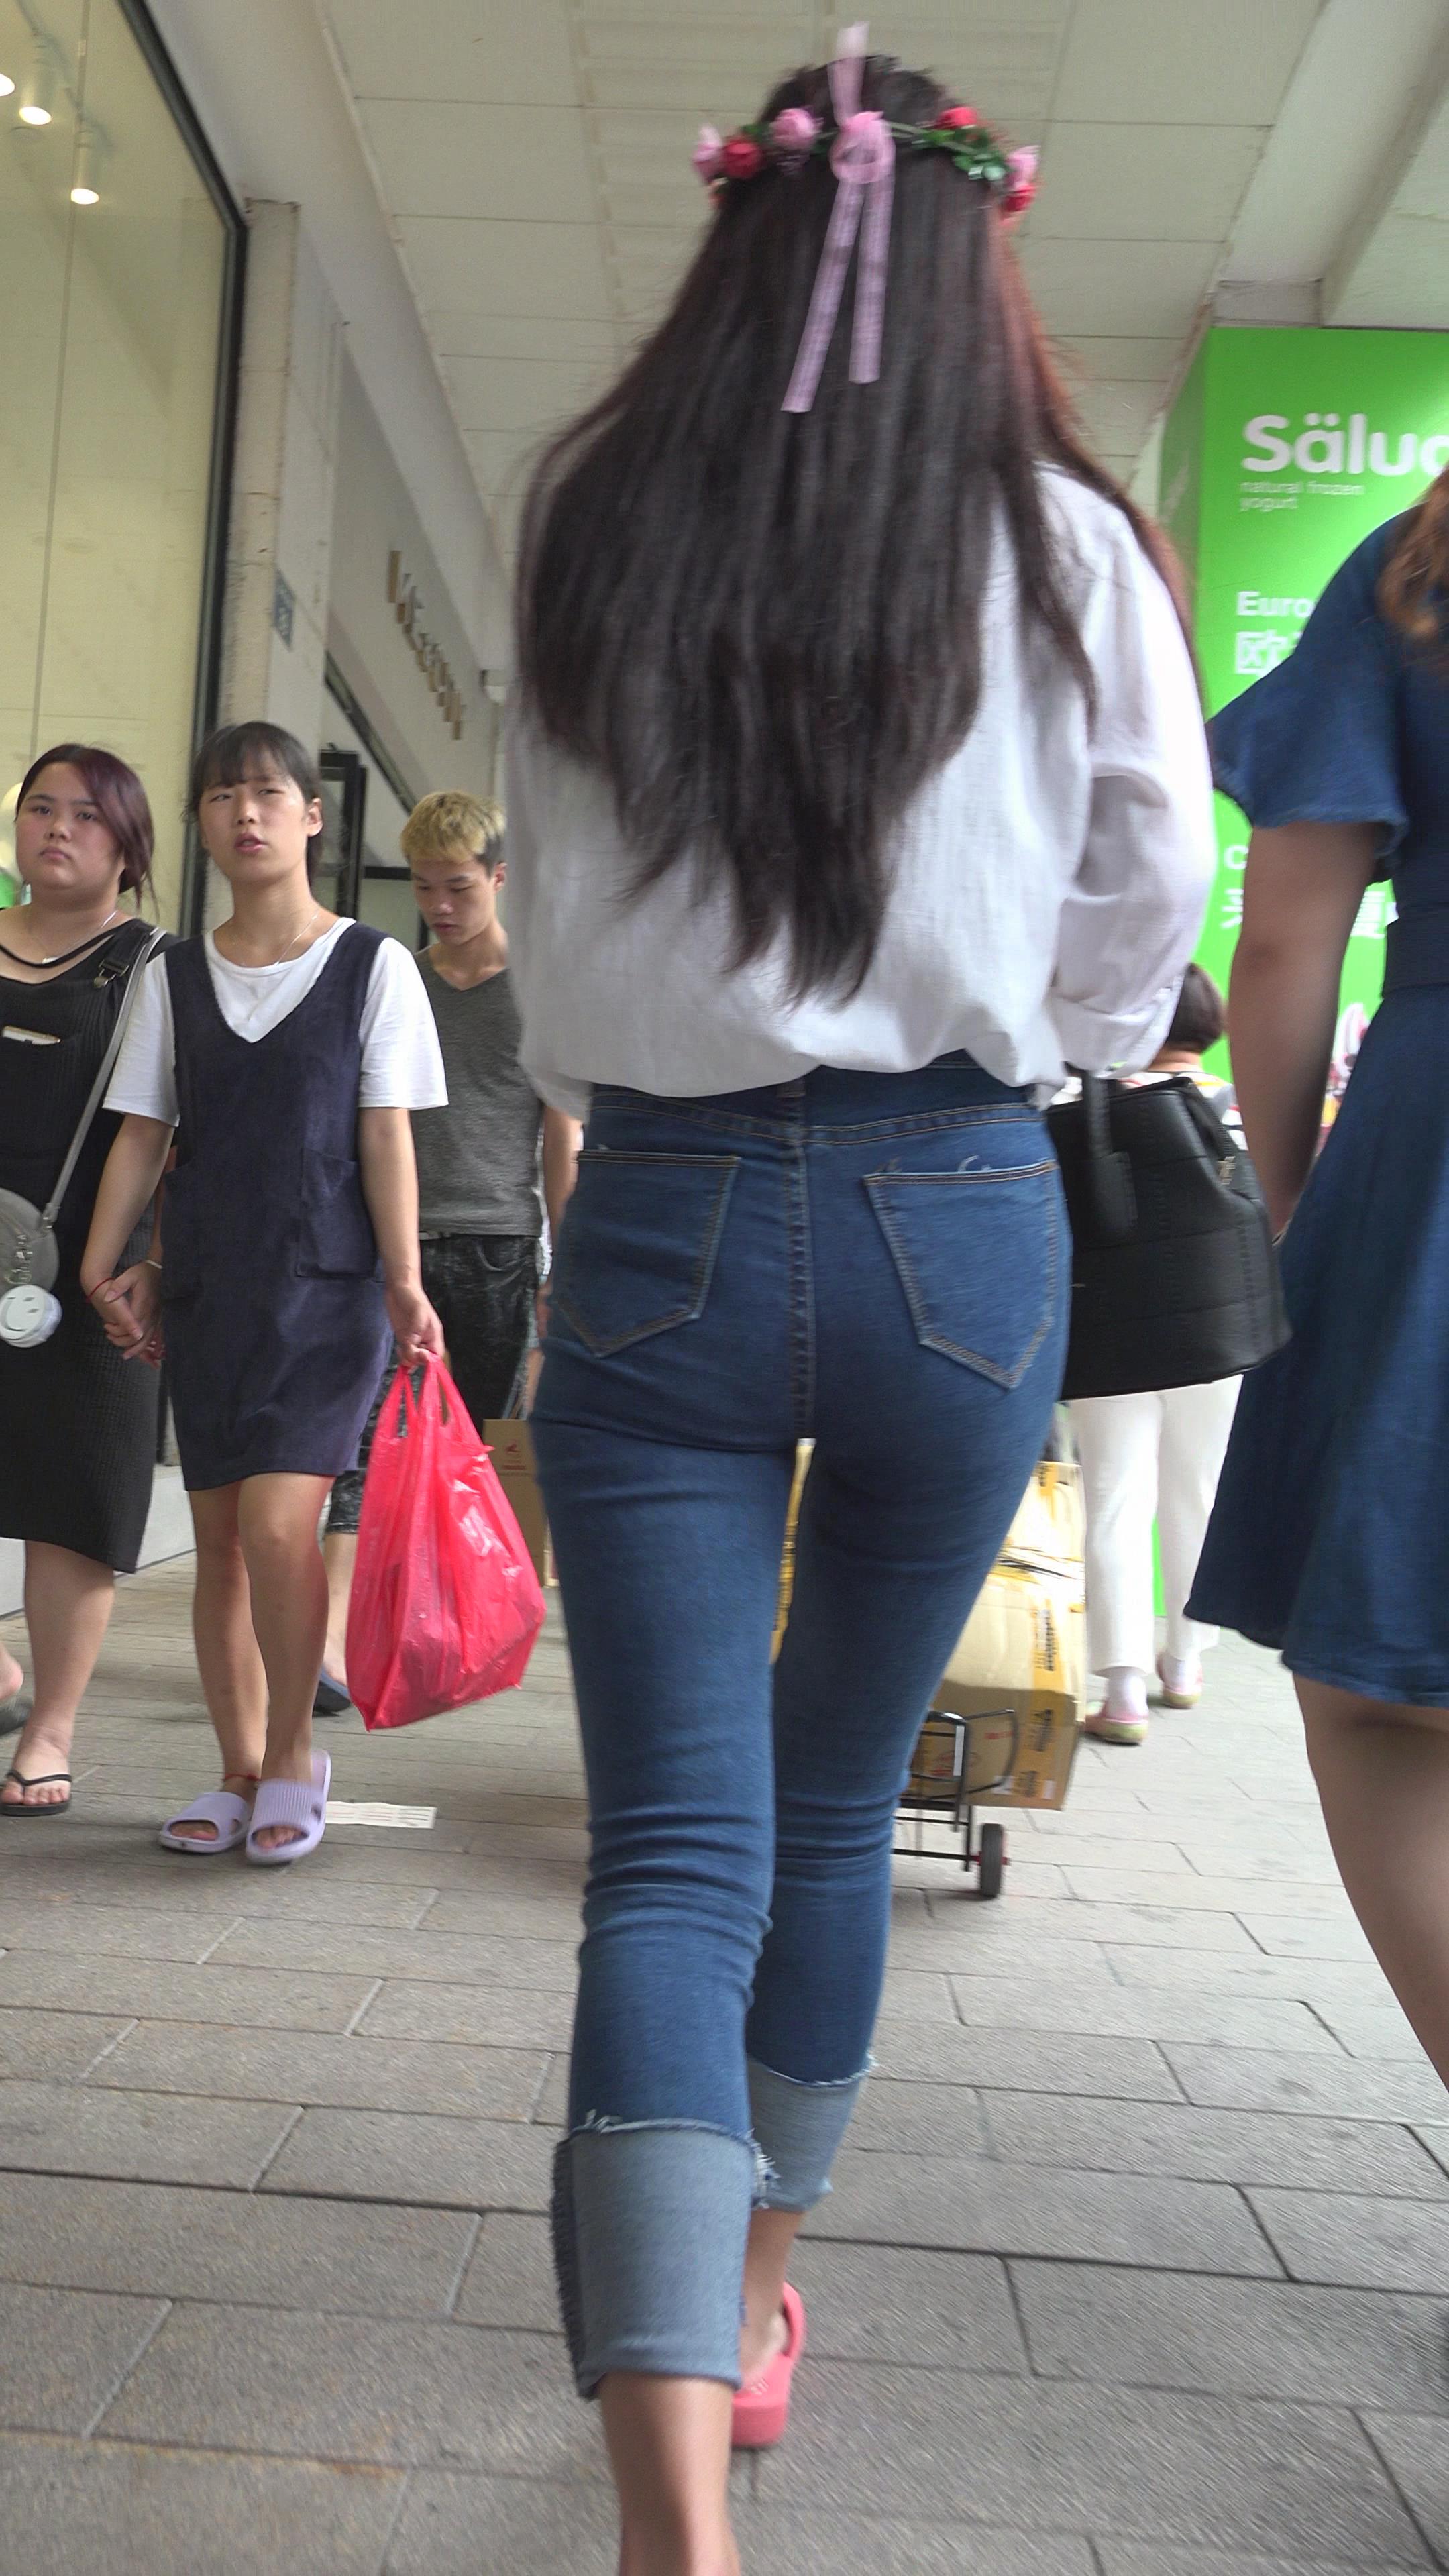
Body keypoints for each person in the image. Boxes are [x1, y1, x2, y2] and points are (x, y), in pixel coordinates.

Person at [508, 44, 1215, 2575]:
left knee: (669, 1854)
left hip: (665, 1210)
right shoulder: (1066, 538)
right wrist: (1064, 1037)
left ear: (744, 237)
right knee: (833, 1806)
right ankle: (755, 2291)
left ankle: (667, 2509)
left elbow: (552, 905)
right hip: (958, 1212)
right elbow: (1151, 888)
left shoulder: (593, 504)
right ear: (974, 252)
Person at [1190, 472, 1449, 2094]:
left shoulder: (1420, 568)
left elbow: (1288, 939)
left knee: (1384, 1701)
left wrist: (1296, 1203)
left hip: (1436, 1160)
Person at [81, 722, 445, 1863]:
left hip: (331, 1290)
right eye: (223, 796)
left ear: (311, 816)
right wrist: (103, 1263)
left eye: (269, 794)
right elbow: (145, 1133)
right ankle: (237, 1770)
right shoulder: (173, 975)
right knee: (223, 1540)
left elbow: (385, 1134)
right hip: (211, 1289)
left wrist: (405, 1281)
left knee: (283, 1524)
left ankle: (293, 1754)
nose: (246, 813)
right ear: (201, 823)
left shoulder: (374, 964)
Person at [317, 790, 580, 1702]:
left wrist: (563, 1268)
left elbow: (561, 1139)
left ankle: (450, 1624)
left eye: (458, 887)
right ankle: (335, 1641)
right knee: (364, 1436)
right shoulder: (398, 979)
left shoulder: (542, 991)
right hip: (393, 1248)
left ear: (499, 878)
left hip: (500, 1245)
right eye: (425, 887)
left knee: (469, 1448)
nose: (438, 905)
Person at [0, 747, 164, 1815]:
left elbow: (181, 1131)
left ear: (129, 847)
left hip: (93, 1272)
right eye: (41, 808)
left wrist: (157, 1263)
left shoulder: (156, 969)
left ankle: (48, 1731)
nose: (58, 828)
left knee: (73, 1499)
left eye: (88, 816)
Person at [1071, 965, 1241, 1745]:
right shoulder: (1241, 1107)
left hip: (1114, 1334)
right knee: (1198, 1493)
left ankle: (1122, 1693)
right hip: (1221, 1334)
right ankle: (1186, 1663)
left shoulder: (1090, 1107)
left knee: (1114, 1497)